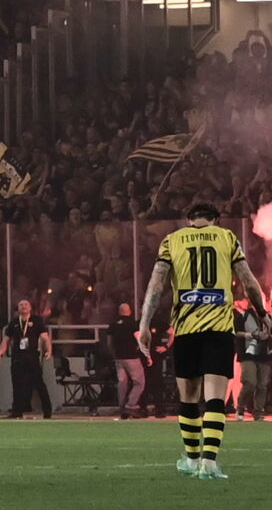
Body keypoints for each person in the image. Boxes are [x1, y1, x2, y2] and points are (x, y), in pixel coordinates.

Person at [141, 200, 269, 478]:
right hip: (219, 330)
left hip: (187, 329)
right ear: (215, 220)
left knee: (188, 398)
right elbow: (248, 281)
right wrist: (263, 314)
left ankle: (191, 459)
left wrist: (144, 324)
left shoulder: (172, 240)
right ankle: (209, 463)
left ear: (189, 220)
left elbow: (156, 284)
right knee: (215, 398)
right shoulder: (227, 238)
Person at [3, 298, 54, 420]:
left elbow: (45, 337)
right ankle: (17, 412)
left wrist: (49, 351)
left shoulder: (36, 320)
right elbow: (6, 339)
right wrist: (0, 352)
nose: (23, 306)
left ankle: (47, 411)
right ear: (18, 308)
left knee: (39, 384)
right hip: (17, 358)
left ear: (30, 308)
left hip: (32, 357)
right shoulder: (14, 322)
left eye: (26, 304)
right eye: (21, 305)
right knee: (17, 385)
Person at [108, 299, 151, 420]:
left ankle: (122, 408)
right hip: (132, 357)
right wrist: (147, 354)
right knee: (139, 382)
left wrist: (114, 354)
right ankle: (131, 405)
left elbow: (109, 342)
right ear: (130, 311)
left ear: (119, 311)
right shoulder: (133, 324)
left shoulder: (113, 324)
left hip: (118, 357)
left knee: (122, 382)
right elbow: (139, 339)